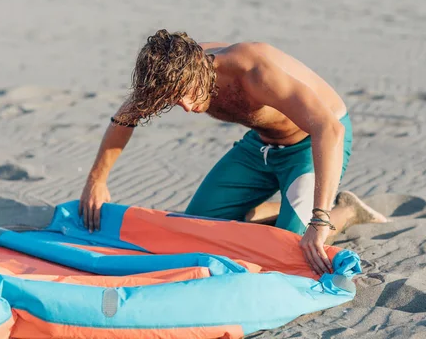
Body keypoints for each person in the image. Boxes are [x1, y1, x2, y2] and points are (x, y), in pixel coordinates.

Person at [80, 29, 387, 275]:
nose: (187, 106)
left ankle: (344, 210)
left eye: (189, 93)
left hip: (310, 146)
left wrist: (320, 220)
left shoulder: (255, 70)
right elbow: (125, 117)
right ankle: (274, 209)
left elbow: (330, 129)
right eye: (176, 100)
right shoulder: (172, 74)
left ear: (204, 66)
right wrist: (97, 179)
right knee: (194, 232)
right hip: (260, 147)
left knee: (290, 251)